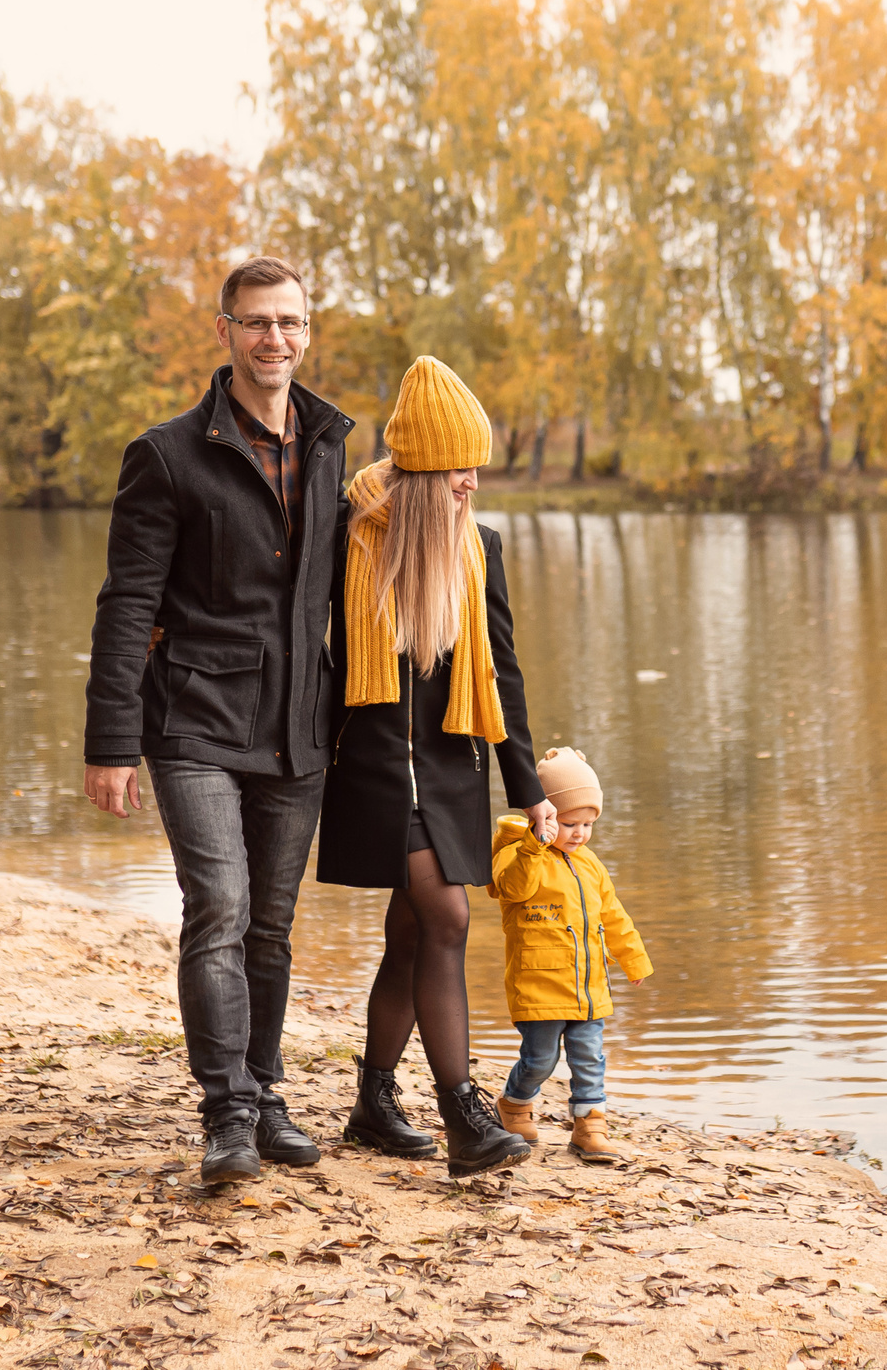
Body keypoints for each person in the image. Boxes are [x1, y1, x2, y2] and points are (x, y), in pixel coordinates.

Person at [80, 255, 353, 1186]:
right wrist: (112, 739)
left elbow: (342, 586)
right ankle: (226, 1113)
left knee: (271, 924)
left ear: (307, 330)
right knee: (222, 907)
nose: (275, 338)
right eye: (256, 322)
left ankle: (267, 1090)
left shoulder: (327, 441)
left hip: (298, 721)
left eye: (290, 322)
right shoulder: (166, 454)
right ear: (225, 331)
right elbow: (126, 605)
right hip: (192, 718)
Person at [318, 355, 554, 1178]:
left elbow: (506, 676)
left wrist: (530, 793)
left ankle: (373, 1104)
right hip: (375, 769)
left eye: (477, 464)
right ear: (422, 470)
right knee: (447, 917)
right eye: (459, 466)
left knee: (413, 931)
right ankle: (465, 1114)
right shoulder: (351, 538)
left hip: (453, 770)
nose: (472, 481)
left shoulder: (478, 549)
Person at [489, 746, 652, 1163]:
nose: (579, 833)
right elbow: (513, 889)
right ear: (542, 815)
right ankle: (515, 1106)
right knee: (540, 1059)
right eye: (568, 822)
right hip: (539, 985)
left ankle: (590, 1125)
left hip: (589, 986)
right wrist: (531, 846)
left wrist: (633, 959)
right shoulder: (518, 856)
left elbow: (613, 916)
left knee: (589, 1058)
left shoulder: (591, 864)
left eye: (588, 824)